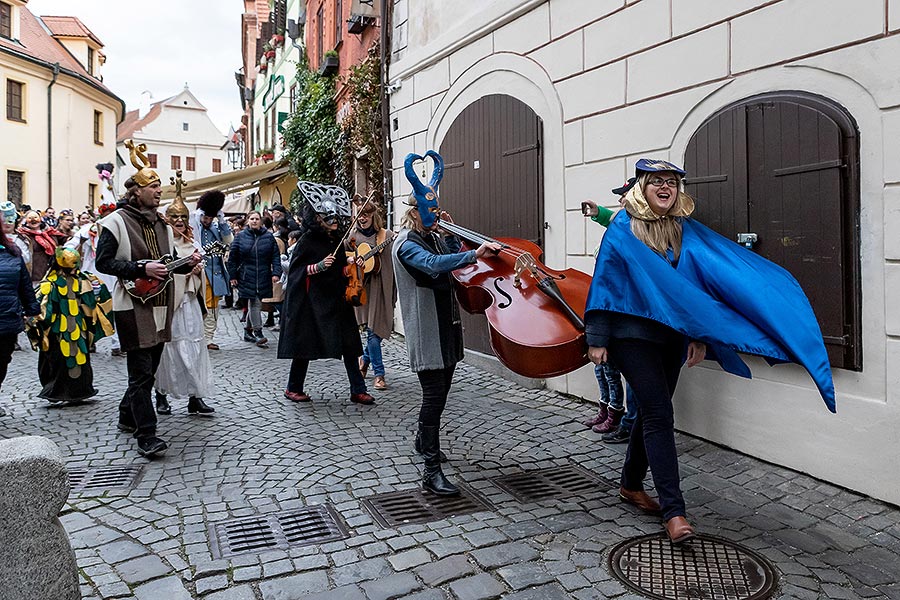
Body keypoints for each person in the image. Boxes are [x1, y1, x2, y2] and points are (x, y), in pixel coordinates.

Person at [584, 158, 835, 544]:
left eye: (672, 182)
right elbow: (605, 279)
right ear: (642, 187)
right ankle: (674, 511)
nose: (665, 187)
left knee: (653, 411)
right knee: (658, 414)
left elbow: (697, 287)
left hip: (672, 334)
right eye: (657, 182)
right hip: (630, 335)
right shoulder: (622, 228)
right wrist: (596, 337)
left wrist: (699, 335)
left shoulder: (684, 232)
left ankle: (630, 485)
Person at [392, 151, 501, 496]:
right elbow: (434, 264)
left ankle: (424, 441)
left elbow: (450, 258)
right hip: (428, 332)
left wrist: (453, 236)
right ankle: (430, 469)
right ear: (414, 212)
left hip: (446, 326)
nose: (434, 218)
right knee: (433, 397)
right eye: (429, 212)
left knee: (441, 394)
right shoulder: (406, 244)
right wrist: (473, 252)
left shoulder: (435, 235)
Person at [95, 140, 201, 457]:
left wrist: (185, 266)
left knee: (149, 371)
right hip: (133, 304)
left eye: (159, 186)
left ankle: (127, 414)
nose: (159, 191)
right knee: (140, 372)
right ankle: (147, 435)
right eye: (153, 186)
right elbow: (104, 263)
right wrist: (139, 267)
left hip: (161, 303)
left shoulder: (163, 223)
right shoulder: (114, 221)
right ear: (136, 190)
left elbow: (165, 265)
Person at [277, 181, 374, 406]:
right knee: (304, 346)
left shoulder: (337, 241)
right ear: (316, 218)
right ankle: (293, 387)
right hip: (311, 304)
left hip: (337, 300)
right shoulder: (307, 241)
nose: (331, 221)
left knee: (350, 345)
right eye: (325, 217)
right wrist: (318, 266)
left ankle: (358, 389)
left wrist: (351, 265)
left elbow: (340, 270)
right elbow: (296, 272)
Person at [26, 247, 114, 403]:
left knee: (79, 357)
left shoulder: (85, 280)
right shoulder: (50, 285)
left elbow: (95, 301)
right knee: (57, 359)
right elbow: (41, 309)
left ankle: (78, 390)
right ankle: (58, 390)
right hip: (57, 331)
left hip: (79, 328)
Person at [154, 192, 215, 416]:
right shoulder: (162, 242)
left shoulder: (193, 242)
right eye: (174, 216)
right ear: (167, 218)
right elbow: (161, 271)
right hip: (171, 302)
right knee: (169, 348)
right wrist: (184, 271)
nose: (179, 220)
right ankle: (161, 394)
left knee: (195, 348)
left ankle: (195, 396)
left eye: (182, 216)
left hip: (190, 301)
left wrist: (197, 272)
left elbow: (198, 275)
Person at [349, 199, 396, 391]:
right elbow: (342, 258)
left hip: (382, 287)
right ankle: (380, 374)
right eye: (360, 215)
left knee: (377, 330)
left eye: (366, 215)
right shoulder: (352, 236)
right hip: (364, 289)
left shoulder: (387, 235)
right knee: (372, 333)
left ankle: (364, 360)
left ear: (373, 216)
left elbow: (395, 259)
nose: (362, 218)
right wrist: (351, 259)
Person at [0, 201, 40, 417]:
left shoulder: (14, 251)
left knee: (2, 360)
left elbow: (24, 284)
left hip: (7, 318)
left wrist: (32, 309)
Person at [227, 210, 282, 348]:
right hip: (246, 274)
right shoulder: (240, 237)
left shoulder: (269, 238)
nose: (254, 221)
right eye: (252, 219)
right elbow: (232, 258)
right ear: (248, 221)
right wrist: (232, 275)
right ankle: (258, 332)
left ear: (261, 221)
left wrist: (276, 272)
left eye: (257, 219)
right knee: (255, 301)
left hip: (263, 274)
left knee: (257, 299)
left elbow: (275, 256)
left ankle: (247, 331)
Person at [190, 190, 232, 350]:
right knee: (202, 305)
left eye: (210, 218)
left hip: (216, 273)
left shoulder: (215, 227)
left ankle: (208, 337)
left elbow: (228, 241)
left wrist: (222, 221)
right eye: (205, 217)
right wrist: (196, 219)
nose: (207, 220)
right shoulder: (195, 226)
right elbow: (195, 236)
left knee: (214, 307)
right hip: (201, 272)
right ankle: (199, 336)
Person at [17, 209, 66, 283]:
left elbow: (66, 240)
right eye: (30, 218)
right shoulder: (23, 236)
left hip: (53, 275)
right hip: (35, 278)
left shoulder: (50, 232)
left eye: (35, 217)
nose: (33, 220)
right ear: (26, 221)